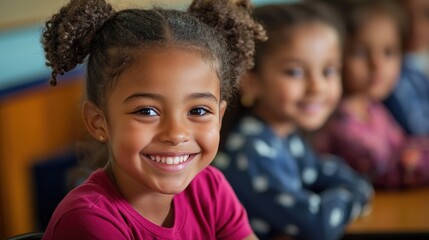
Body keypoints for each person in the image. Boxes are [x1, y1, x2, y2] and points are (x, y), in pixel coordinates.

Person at [40, 0, 266, 239]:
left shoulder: (210, 188)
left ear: (219, 117)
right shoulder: (89, 220)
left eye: (198, 111)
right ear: (98, 121)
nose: (176, 133)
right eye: (147, 111)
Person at [214, 2, 373, 240]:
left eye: (328, 71)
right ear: (250, 80)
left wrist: (350, 188)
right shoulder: (252, 152)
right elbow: (318, 224)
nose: (317, 87)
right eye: (295, 72)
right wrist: (355, 194)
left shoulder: (285, 138)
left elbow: (325, 172)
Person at [314, 0, 429, 188]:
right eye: (359, 52)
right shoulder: (339, 119)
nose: (377, 65)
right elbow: (383, 168)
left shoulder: (374, 109)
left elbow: (403, 145)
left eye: (389, 52)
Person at [382, 0, 429, 136]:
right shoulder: (392, 75)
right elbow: (418, 128)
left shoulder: (416, 70)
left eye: (427, 14)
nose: (415, 27)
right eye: (405, 15)